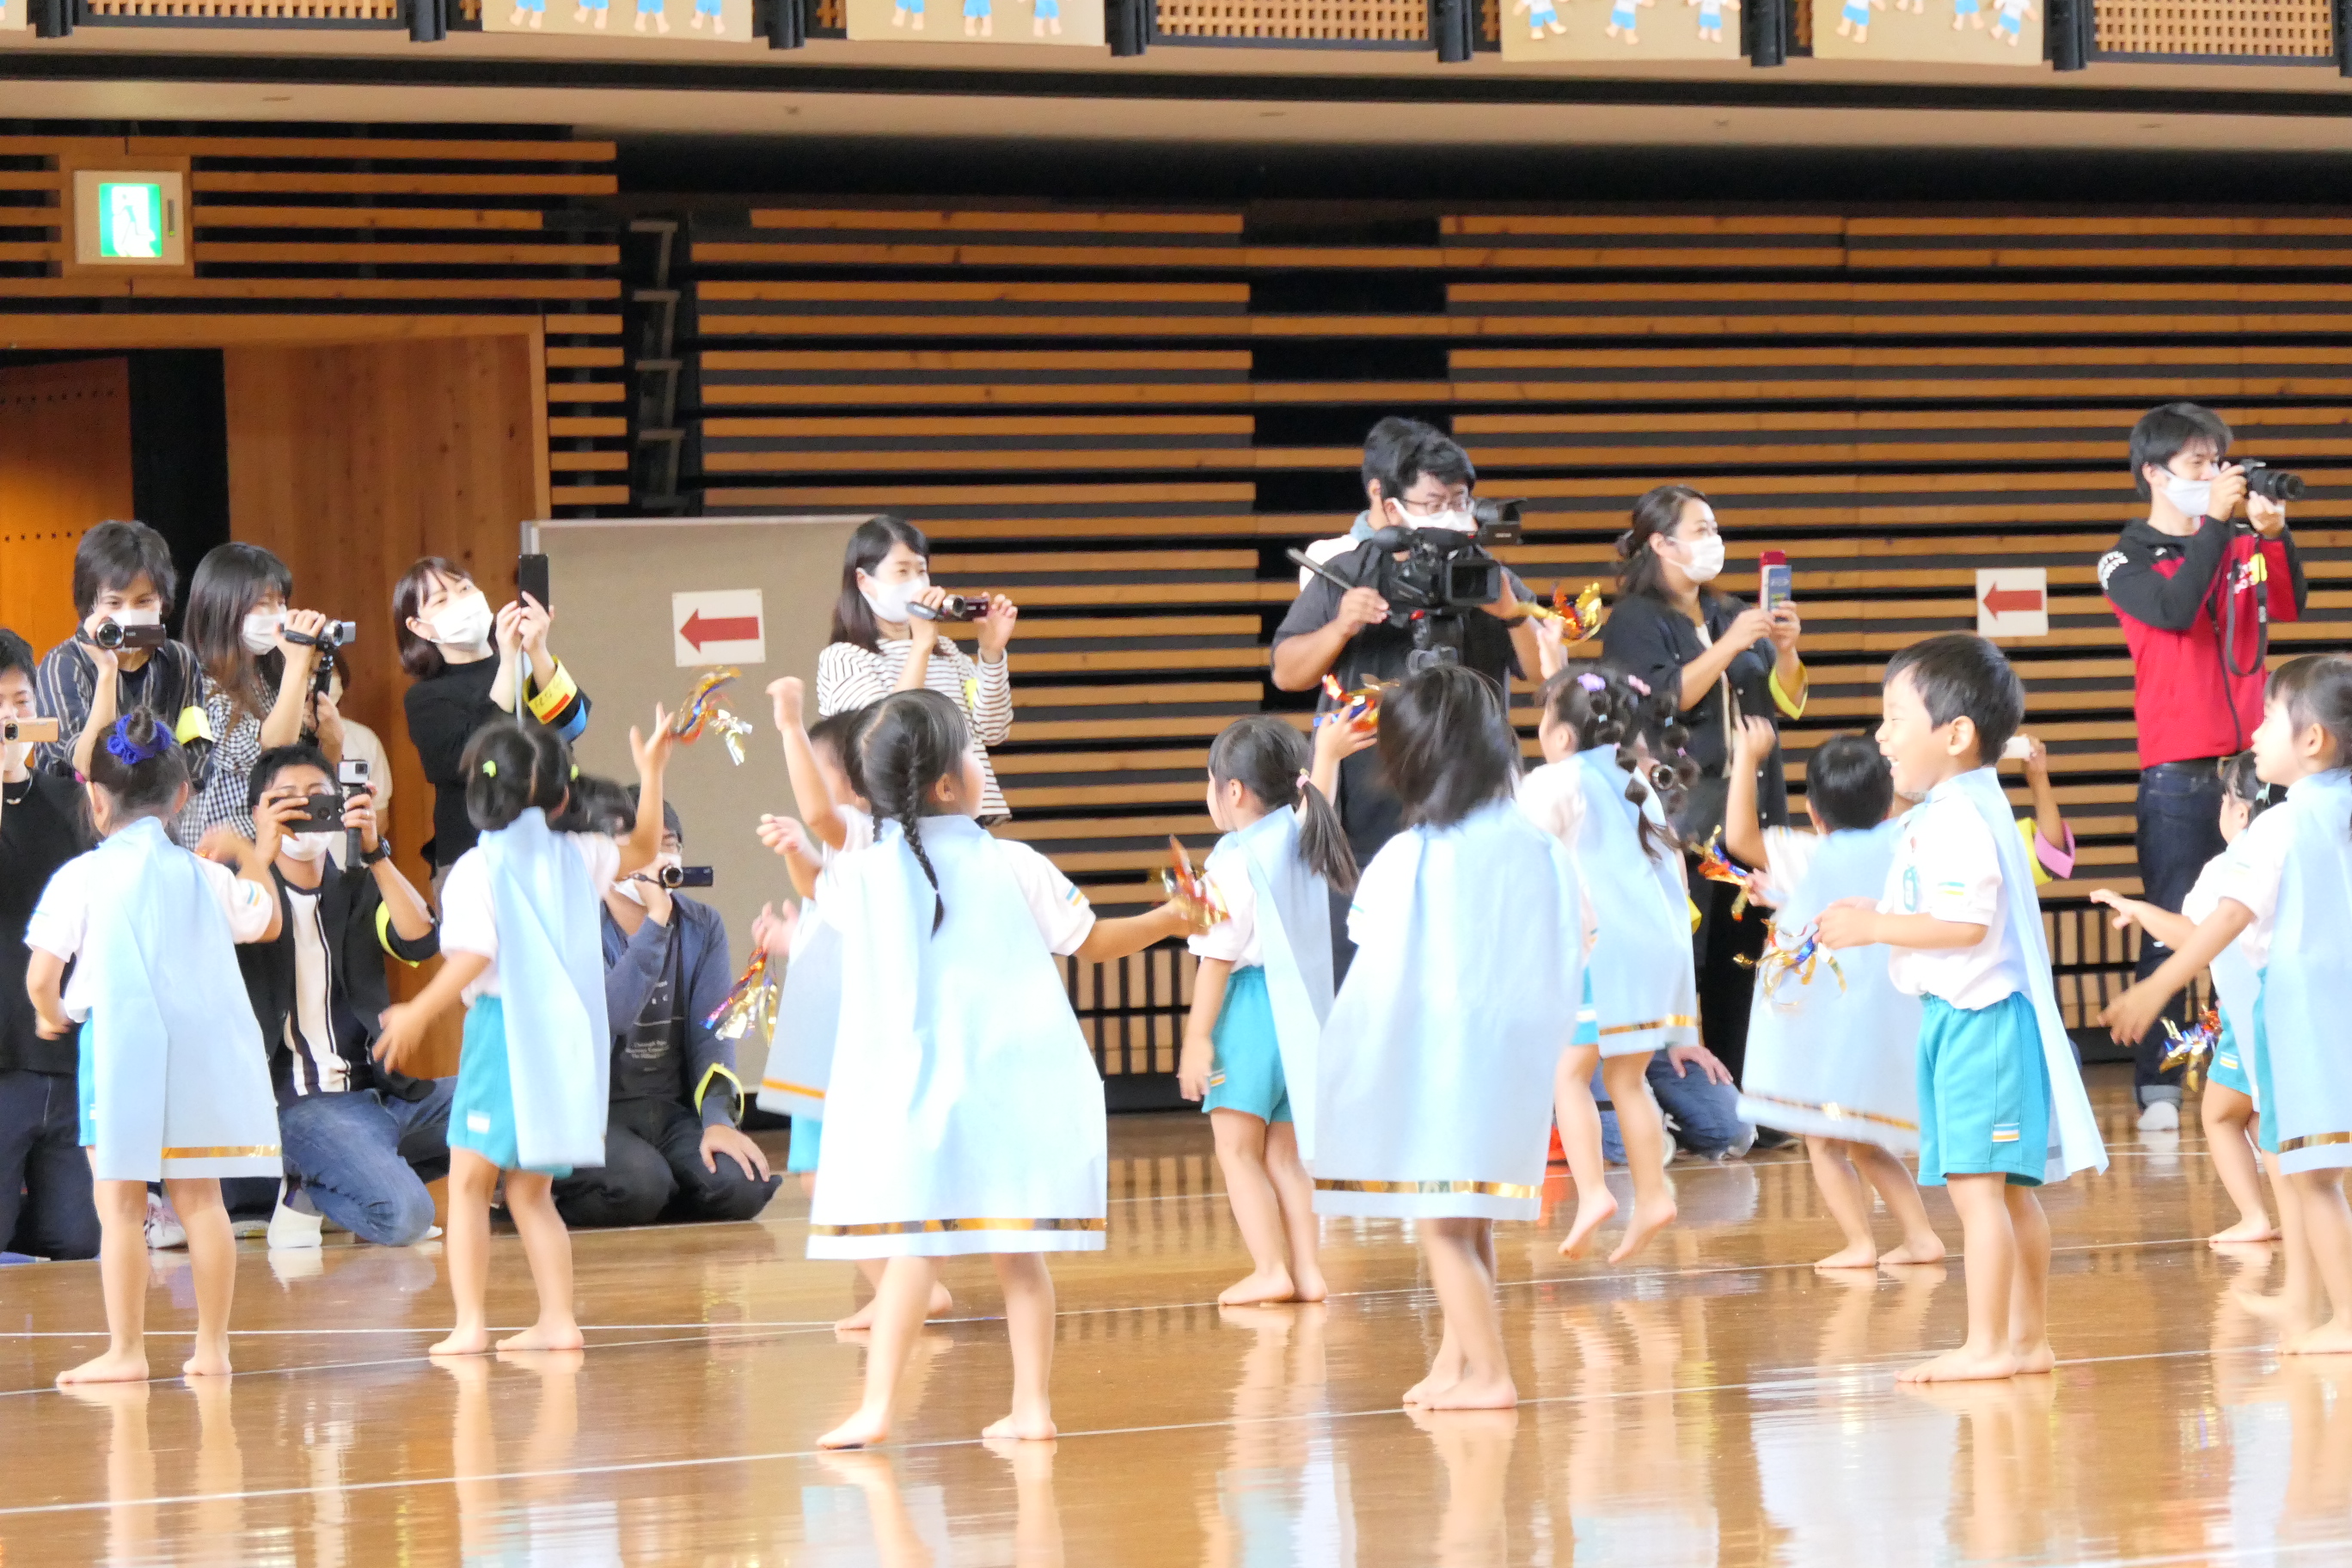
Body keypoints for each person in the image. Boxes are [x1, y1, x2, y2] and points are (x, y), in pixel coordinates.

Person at [807, 689, 1191, 1449]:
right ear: (950, 783)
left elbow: (830, 917)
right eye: (972, 753)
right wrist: (1173, 919)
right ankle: (1031, 1408)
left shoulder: (861, 874)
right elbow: (1091, 942)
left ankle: (879, 1407)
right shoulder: (1012, 862)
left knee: (915, 1249)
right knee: (1020, 1258)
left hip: (916, 1096)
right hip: (1008, 1089)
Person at [1816, 634, 2107, 1382]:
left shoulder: (1958, 815)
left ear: (1955, 735)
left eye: (1894, 717)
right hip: (1961, 1019)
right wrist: (1878, 911)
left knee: (1983, 1195)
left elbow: (1965, 925)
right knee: (1999, 1196)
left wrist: (1873, 929)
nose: (1881, 735)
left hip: (1984, 1024)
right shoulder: (1952, 806)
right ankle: (2024, 1342)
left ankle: (1990, 1346)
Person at [1311, 665, 1583, 1411]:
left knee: (1441, 1225)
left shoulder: (1413, 853)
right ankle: (1457, 1360)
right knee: (1470, 1212)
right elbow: (1570, 942)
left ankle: (1490, 1375)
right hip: (1517, 1054)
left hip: (1445, 1058)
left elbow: (1371, 947)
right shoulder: (1539, 845)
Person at [371, 711, 671, 1356]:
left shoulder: (477, 869)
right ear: (563, 797)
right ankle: (558, 1320)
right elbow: (646, 848)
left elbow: (474, 956)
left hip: (504, 1035)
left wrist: (419, 1011)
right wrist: (652, 772)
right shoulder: (580, 853)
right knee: (532, 1192)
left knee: (470, 1184)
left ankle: (471, 1325)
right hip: (569, 1043)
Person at [2100, 656, 2352, 1353]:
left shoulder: (2280, 824)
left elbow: (2226, 918)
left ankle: (2346, 1319)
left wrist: (2157, 985)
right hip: (2333, 1006)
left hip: (2301, 1013)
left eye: (2268, 719)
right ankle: (2303, 1297)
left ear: (2312, 740)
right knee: (2302, 1163)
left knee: (2314, 1177)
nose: (2256, 733)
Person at [24, 710, 283, 1384]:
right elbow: (267, 919)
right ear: (181, 797)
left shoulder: (81, 875)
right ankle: (213, 1348)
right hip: (199, 1057)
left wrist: (51, 1015)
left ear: (96, 799)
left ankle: (128, 1352)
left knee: (120, 1210)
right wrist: (250, 850)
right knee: (203, 1202)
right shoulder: (205, 875)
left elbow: (42, 977)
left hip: (117, 1053)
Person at [2099, 402, 2306, 1131]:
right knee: (2173, 922)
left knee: (2263, 921)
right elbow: (2175, 610)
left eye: (2220, 461)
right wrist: (2218, 524)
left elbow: (2290, 604)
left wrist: (2272, 536)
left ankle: (2258, 1067)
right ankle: (2158, 1083)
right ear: (2154, 474)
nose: (2216, 474)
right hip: (2178, 772)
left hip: (2256, 765)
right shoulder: (2124, 559)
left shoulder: (2240, 544)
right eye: (2198, 463)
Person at [1269, 421, 1540, 923]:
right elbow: (1286, 673)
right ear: (1393, 509)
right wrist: (1340, 627)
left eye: (1460, 501)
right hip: (1368, 807)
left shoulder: (1488, 575)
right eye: (1434, 503)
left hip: (1473, 800)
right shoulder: (1350, 572)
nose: (1450, 515)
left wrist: (1514, 614)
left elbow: (1545, 676)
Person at [1600, 484, 1806, 1085]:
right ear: (1662, 544)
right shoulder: (1635, 619)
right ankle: (1685, 1095)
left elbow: (1787, 701)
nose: (1714, 540)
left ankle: (1749, 1092)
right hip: (1685, 814)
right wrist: (1732, 644)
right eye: (1701, 530)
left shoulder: (1728, 610)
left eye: (1715, 529)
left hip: (1752, 807)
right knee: (1687, 956)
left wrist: (1786, 651)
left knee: (1746, 955)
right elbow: (1662, 701)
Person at [1723, 719, 1944, 1271]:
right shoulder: (1907, 843)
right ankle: (1919, 1237)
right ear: (1888, 802)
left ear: (1814, 813)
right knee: (1864, 1141)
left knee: (1824, 1141)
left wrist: (1747, 757)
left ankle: (1861, 1243)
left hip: (1830, 1034)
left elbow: (1739, 838)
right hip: (1890, 1024)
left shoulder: (1808, 852)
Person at [232, 743, 449, 1251]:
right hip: (301, 1107)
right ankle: (320, 1187)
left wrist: (375, 852)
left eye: (318, 797)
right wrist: (259, 857)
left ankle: (327, 1184)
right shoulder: (238, 898)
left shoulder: (357, 887)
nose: (304, 809)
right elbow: (207, 948)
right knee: (407, 1218)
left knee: (510, 1107)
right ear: (257, 814)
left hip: (381, 1096)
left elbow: (420, 939)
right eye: (285, 799)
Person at [1518, 662, 1700, 1264]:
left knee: (1568, 1075)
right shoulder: (1634, 779)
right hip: (1658, 948)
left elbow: (1521, 854)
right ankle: (1652, 1196)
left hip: (1606, 948)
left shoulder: (1556, 780)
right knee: (1626, 1079)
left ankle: (1595, 1192)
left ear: (1561, 734)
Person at [1175, 715, 1356, 1308]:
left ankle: (1270, 1269)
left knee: (1236, 1151)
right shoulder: (1300, 835)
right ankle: (1308, 1272)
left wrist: (1198, 1038)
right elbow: (1318, 795)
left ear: (1232, 790)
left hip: (1248, 1011)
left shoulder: (1232, 861)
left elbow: (1217, 961)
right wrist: (1328, 754)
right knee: (1284, 1156)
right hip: (1299, 1018)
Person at [549, 786, 781, 1231]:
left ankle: (661, 1190)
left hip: (671, 1111)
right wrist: (656, 922)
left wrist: (718, 1122)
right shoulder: (576, 923)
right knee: (641, 1186)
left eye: (669, 844)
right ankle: (554, 1198)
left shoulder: (702, 925)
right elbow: (612, 1014)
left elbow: (713, 1034)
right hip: (597, 1116)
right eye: (640, 847)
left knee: (742, 1186)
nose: (657, 858)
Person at [2090, 751, 2275, 1246]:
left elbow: (2191, 935)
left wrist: (2140, 912)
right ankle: (2275, 1217)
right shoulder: (2301, 856)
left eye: (2224, 800)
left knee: (2243, 1119)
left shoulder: (2228, 867)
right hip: (2262, 1019)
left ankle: (2277, 1218)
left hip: (2254, 1020)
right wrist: (2141, 910)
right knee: (2235, 1113)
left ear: (2240, 812)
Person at [395, 557, 591, 879]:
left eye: (465, 589)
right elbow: (480, 754)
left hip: (552, 844)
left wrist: (537, 650)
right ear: (418, 626)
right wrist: (509, 660)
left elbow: (573, 723)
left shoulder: (526, 665)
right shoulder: (426, 696)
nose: (460, 602)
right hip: (474, 857)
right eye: (442, 600)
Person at [814, 516, 1018, 823]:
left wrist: (991, 653)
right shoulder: (844, 658)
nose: (916, 582)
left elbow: (993, 729)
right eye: (902, 571)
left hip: (965, 815)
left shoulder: (947, 652)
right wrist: (921, 644)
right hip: (900, 820)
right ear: (863, 581)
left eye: (921, 571)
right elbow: (880, 743)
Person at [0, 628, 97, 1261]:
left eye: (21, 701)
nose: (11, 717)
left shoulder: (67, 799)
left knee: (77, 1240)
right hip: (3, 1058)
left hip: (63, 1055)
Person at [182, 542, 345, 844]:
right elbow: (270, 753)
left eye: (282, 602)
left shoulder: (274, 677)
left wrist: (332, 742)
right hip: (229, 852)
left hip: (290, 846)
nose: (279, 615)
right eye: (264, 603)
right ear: (222, 607)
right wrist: (297, 662)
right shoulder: (197, 684)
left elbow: (308, 775)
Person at [33, 520, 209, 783]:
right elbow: (89, 764)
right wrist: (107, 670)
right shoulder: (62, 665)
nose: (129, 614)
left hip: (162, 806)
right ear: (91, 605)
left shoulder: (180, 660)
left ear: (162, 602)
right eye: (114, 603)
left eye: (144, 601)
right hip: (77, 808)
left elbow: (196, 760)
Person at [321, 647, 391, 867]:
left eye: (330, 670)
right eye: (312, 672)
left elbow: (380, 819)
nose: (325, 677)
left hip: (355, 869)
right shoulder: (280, 741)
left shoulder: (364, 739)